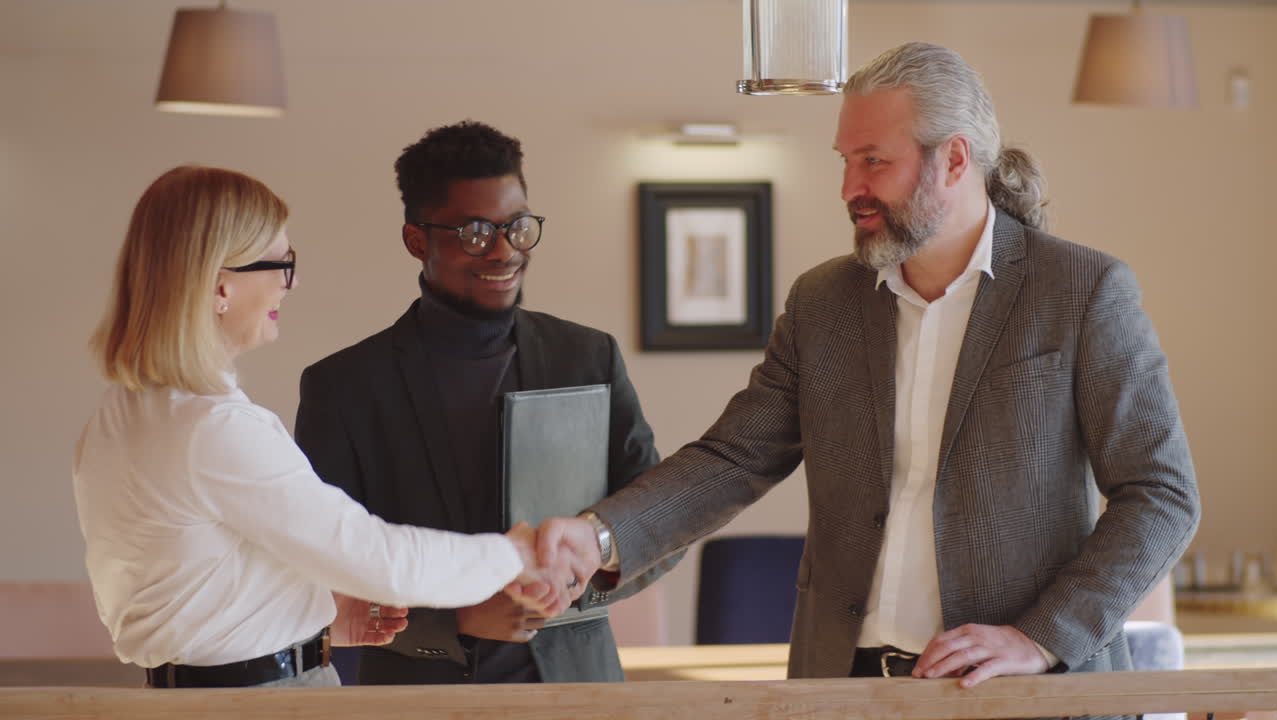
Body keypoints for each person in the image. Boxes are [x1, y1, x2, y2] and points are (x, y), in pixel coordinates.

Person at [539, 41, 1200, 690]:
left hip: (1021, 693)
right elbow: (732, 460)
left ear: (954, 159)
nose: (849, 188)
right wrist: (598, 538)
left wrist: (1040, 637)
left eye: (874, 161)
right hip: (845, 688)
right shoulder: (820, 303)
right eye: (846, 160)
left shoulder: (1084, 292)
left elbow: (1161, 494)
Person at [73, 165, 572, 690]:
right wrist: (514, 554)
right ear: (221, 286)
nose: (291, 283)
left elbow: (179, 586)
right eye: (280, 264)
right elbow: (381, 560)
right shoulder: (214, 430)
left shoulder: (119, 416)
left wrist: (307, 618)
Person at [294, 120, 681, 685]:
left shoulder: (587, 357)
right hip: (418, 698)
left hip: (581, 695)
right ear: (417, 241)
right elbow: (323, 571)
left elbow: (660, 520)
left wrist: (577, 577)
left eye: (518, 227)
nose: (504, 251)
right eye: (475, 233)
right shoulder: (344, 386)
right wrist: (456, 619)